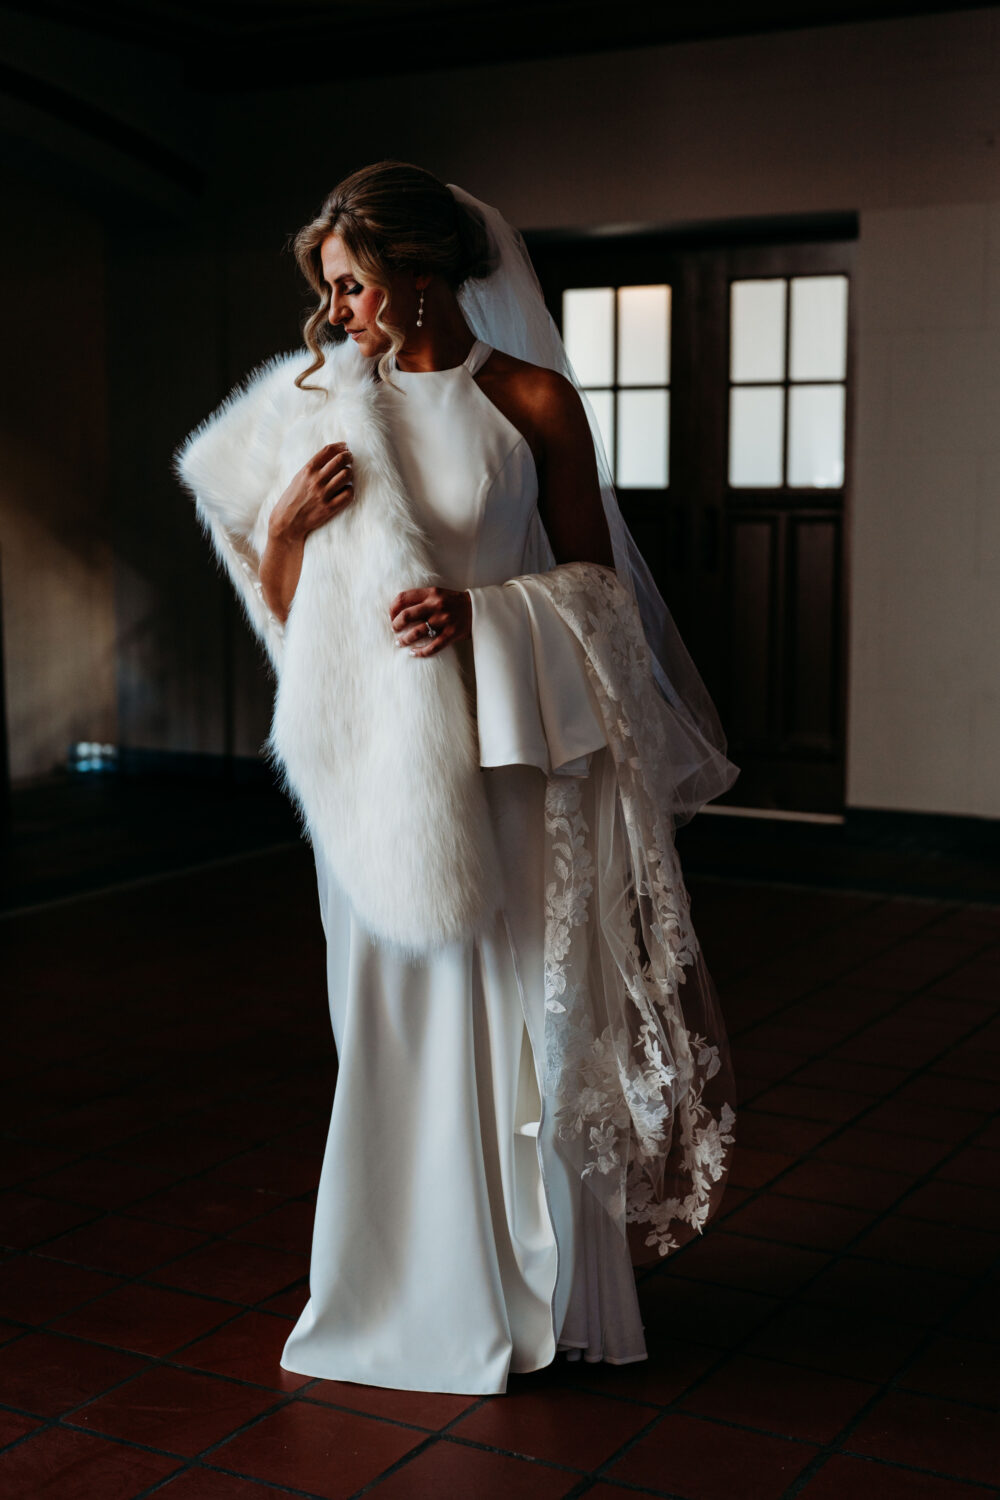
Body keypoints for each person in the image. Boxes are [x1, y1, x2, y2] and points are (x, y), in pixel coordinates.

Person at [175, 161, 740, 1397]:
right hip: (379, 775)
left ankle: (542, 1298)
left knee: (518, 1023)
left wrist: (481, 612)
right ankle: (396, 1292)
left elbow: (600, 599)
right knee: (388, 1023)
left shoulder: (532, 398)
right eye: (328, 290)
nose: (338, 314)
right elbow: (291, 624)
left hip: (508, 754)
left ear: (418, 276)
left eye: (353, 285)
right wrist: (282, 533)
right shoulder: (321, 404)